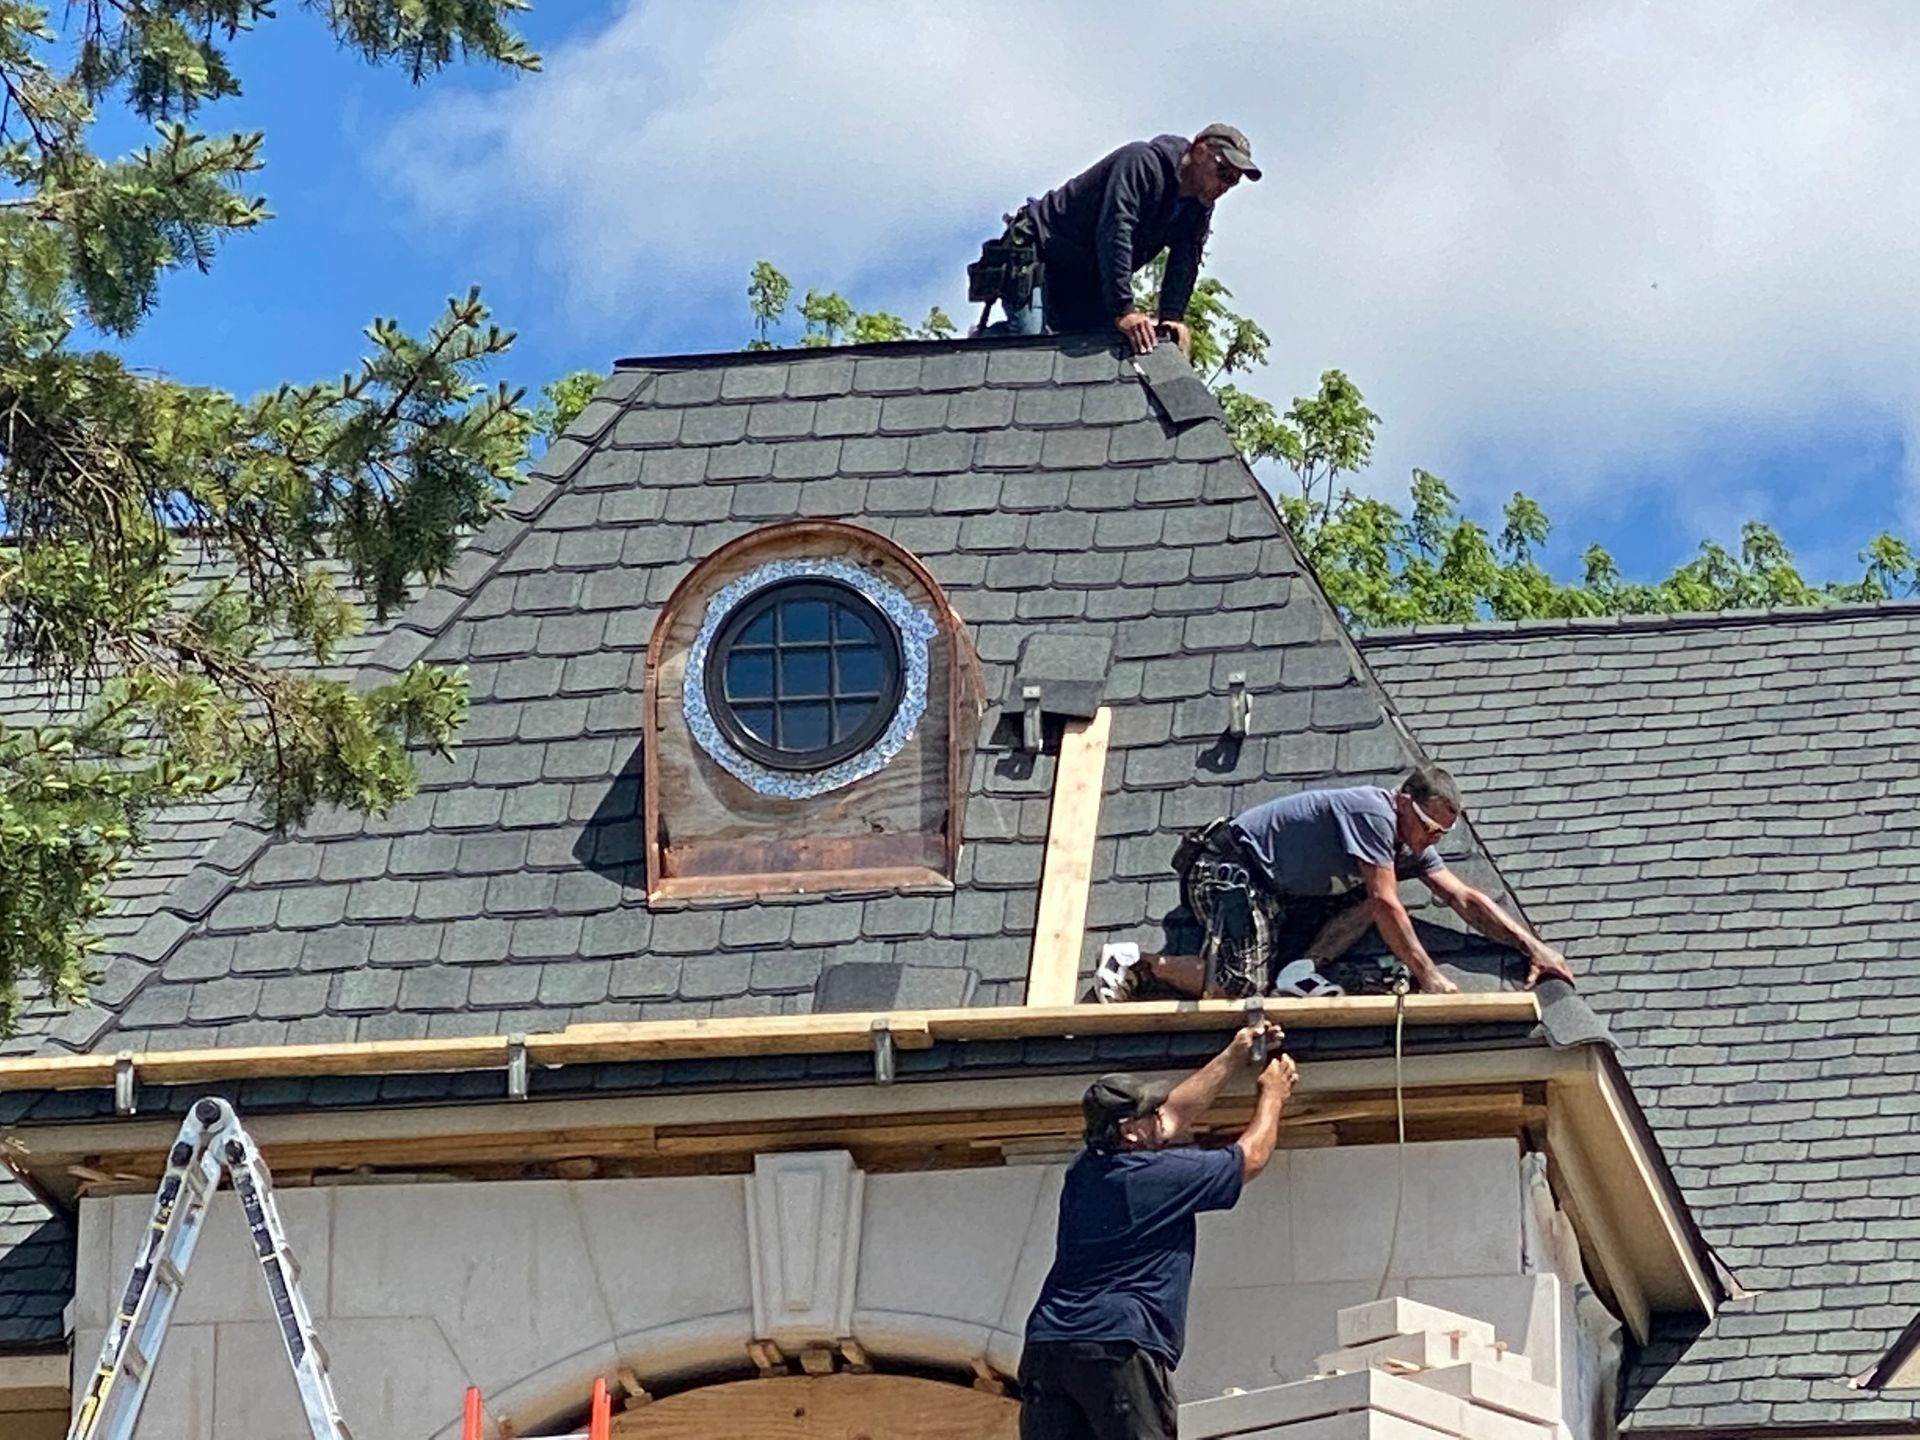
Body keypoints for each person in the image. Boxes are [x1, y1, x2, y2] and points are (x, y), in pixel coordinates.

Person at [1019, 1025, 1295, 1440]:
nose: (1160, 1116)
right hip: (1115, 1348)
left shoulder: (1086, 1169)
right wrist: (1273, 1095)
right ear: (1131, 1130)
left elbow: (1174, 1114)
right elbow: (1250, 1158)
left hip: (1048, 1349)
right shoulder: (1156, 1177)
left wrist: (1233, 1055)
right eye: (1150, 1114)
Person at [1095, 767, 1576, 1002]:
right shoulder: (1373, 812)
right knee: (1237, 988)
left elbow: (1462, 897)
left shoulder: (1406, 844)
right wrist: (1427, 974)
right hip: (1229, 870)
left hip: (1278, 895)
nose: (1430, 840)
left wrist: (1533, 946)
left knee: (1374, 900)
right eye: (1428, 826)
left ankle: (1303, 968)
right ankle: (1137, 962)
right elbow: (1387, 901)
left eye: (1440, 835)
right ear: (1405, 802)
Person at [971, 125, 1261, 359]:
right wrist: (1124, 311)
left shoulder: (1198, 206)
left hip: (1085, 275)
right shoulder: (1141, 163)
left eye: (1233, 181)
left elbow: (1185, 260)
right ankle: (969, 354)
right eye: (1223, 172)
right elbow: (1115, 233)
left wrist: (1172, 317)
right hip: (1039, 250)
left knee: (1102, 349)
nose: (1224, 186)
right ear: (1199, 151)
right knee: (1028, 349)